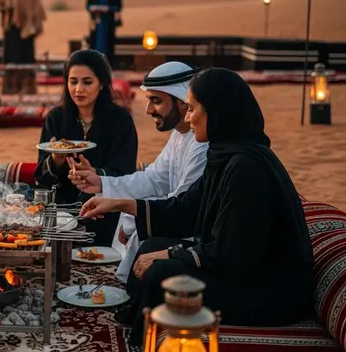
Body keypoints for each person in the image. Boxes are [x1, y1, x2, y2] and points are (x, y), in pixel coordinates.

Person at [79, 68, 314, 345]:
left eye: (192, 108)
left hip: (269, 290)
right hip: (240, 269)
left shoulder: (246, 168)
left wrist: (168, 255)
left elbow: (232, 253)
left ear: (217, 110)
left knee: (161, 274)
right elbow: (185, 208)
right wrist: (118, 203)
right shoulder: (224, 153)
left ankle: (141, 340)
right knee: (149, 247)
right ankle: (137, 325)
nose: (188, 116)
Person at [69, 62, 207, 283]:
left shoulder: (201, 144)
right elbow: (153, 179)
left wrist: (134, 220)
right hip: (174, 217)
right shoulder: (180, 134)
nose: (148, 110)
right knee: (130, 214)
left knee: (135, 222)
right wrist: (101, 183)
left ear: (182, 102)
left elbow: (183, 206)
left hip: (194, 233)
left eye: (157, 101)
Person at [35, 49, 138, 246]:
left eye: (87, 82)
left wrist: (95, 173)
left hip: (104, 211)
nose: (78, 89)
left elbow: (126, 173)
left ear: (102, 84)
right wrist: (55, 161)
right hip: (62, 213)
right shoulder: (56, 118)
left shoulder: (120, 120)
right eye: (73, 81)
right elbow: (41, 178)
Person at [0, 0, 46, 94]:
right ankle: (11, 87)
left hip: (27, 29)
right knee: (11, 58)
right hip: (11, 28)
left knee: (27, 57)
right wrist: (4, 8)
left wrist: (35, 23)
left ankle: (27, 88)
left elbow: (36, 7)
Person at [86, 0, 123, 67]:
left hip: (108, 22)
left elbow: (118, 6)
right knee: (94, 44)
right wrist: (93, 8)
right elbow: (87, 5)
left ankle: (108, 66)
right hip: (96, 23)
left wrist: (108, 8)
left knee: (109, 45)